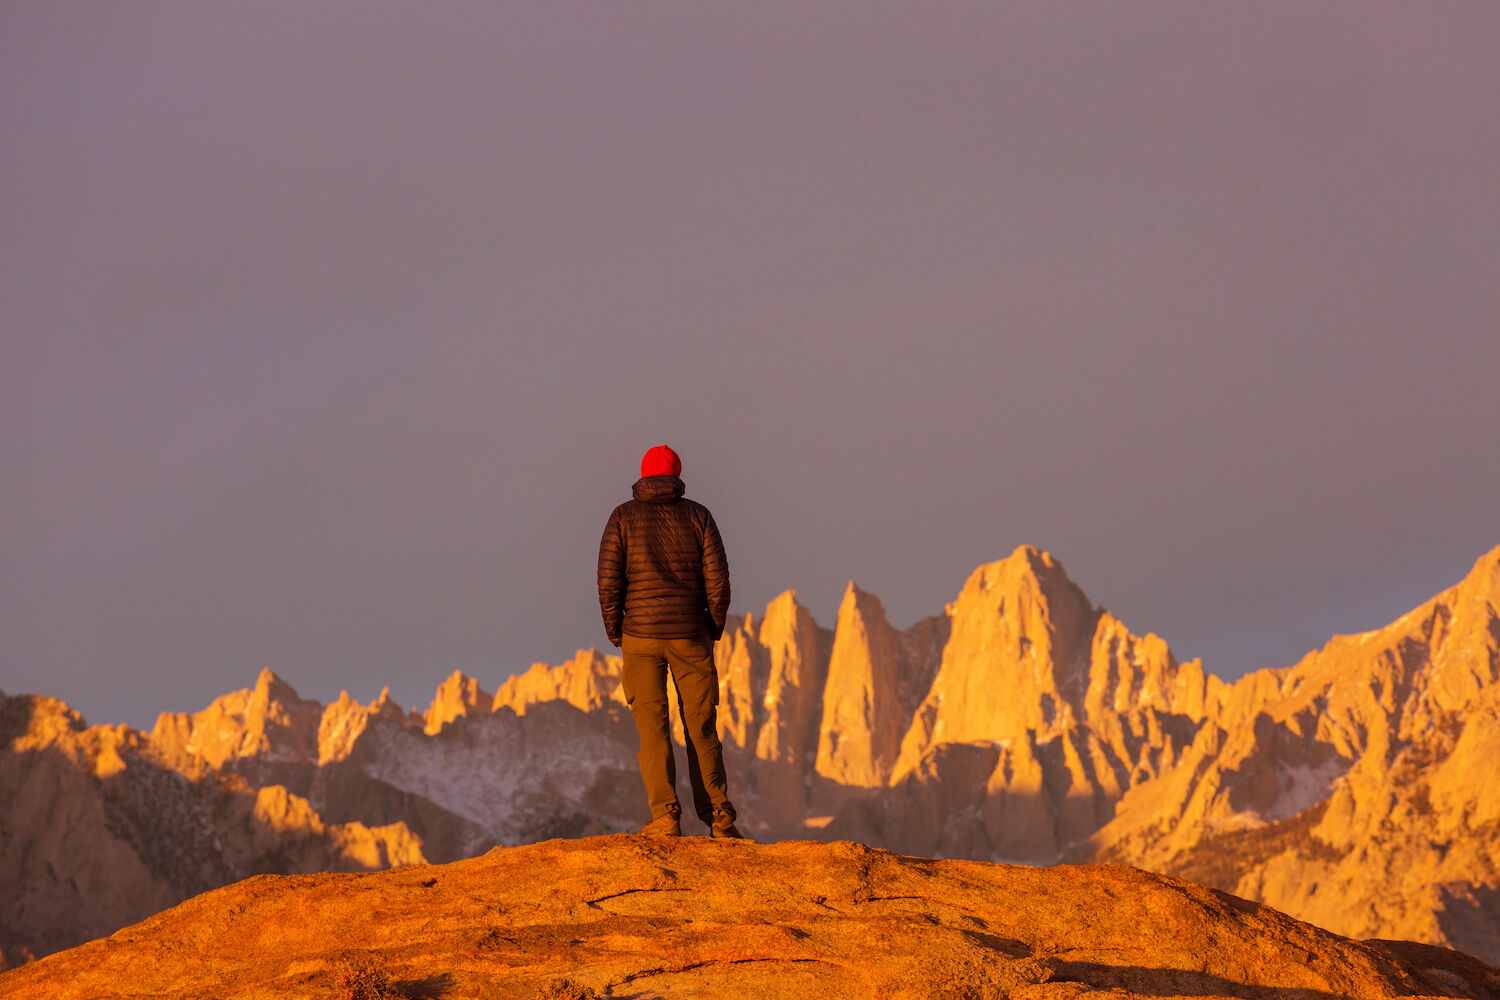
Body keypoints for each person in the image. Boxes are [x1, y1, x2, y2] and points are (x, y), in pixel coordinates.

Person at [597, 445, 745, 839]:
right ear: (677, 475)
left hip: (640, 638)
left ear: (642, 477)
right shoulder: (699, 516)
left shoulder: (621, 517)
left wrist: (616, 630)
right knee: (700, 724)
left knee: (652, 729)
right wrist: (711, 627)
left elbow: (609, 581)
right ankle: (719, 815)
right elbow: (719, 580)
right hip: (690, 636)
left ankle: (665, 816)